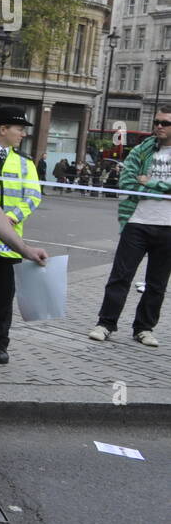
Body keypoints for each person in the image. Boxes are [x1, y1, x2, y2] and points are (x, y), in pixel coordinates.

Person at [88, 105, 171, 348]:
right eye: (157, 122)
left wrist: (151, 183)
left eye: (165, 123)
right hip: (137, 222)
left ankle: (144, 328)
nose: (159, 126)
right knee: (120, 277)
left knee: (157, 283)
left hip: (168, 227)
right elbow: (126, 183)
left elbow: (142, 183)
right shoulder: (141, 151)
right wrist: (163, 189)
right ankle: (106, 323)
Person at [0, 106, 44, 364]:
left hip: (9, 245)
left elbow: (33, 196)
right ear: (2, 129)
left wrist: (11, 218)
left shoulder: (25, 163)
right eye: (19, 129)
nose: (23, 134)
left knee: (3, 299)